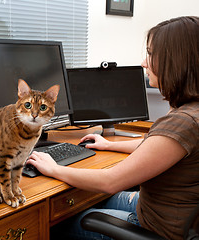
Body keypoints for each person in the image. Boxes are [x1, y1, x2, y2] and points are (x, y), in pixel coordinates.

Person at [26, 16, 199, 240]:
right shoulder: (190, 111)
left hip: (158, 228)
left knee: (61, 224)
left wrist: (53, 169)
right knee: (94, 201)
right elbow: (158, 145)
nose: (144, 63)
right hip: (168, 211)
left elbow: (110, 181)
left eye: (151, 54)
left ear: (175, 61)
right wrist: (108, 144)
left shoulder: (184, 121)